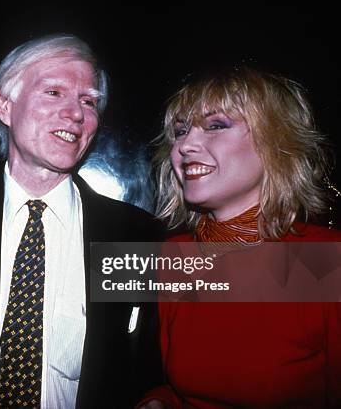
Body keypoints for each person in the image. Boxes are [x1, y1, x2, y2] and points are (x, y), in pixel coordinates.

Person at [0, 33, 164, 408]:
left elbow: (151, 366)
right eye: (54, 93)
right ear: (4, 105)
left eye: (88, 101)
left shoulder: (133, 236)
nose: (76, 113)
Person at [138, 66, 341, 408]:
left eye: (216, 125)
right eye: (180, 131)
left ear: (275, 143)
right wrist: (160, 402)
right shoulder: (174, 256)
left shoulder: (327, 260)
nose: (186, 145)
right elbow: (181, 389)